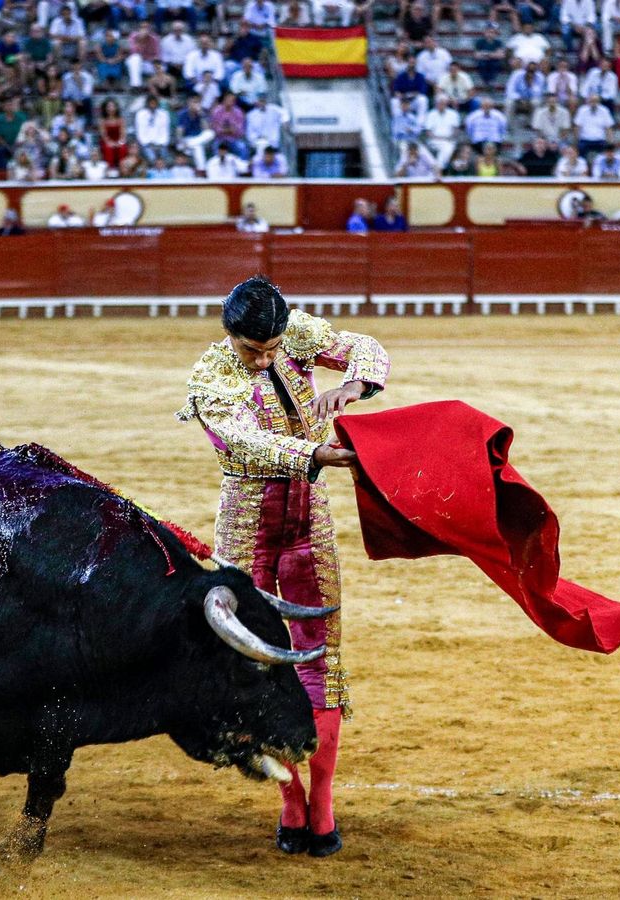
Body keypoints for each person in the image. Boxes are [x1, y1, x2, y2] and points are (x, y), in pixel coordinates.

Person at [176, 276, 389, 860]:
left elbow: (367, 347)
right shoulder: (212, 374)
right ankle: (289, 799)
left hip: (309, 522)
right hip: (246, 524)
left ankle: (319, 802)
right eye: (254, 350)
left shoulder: (296, 334)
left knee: (321, 656)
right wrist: (316, 452)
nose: (266, 358)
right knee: (251, 661)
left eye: (272, 348)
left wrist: (353, 385)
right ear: (230, 336)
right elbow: (242, 443)